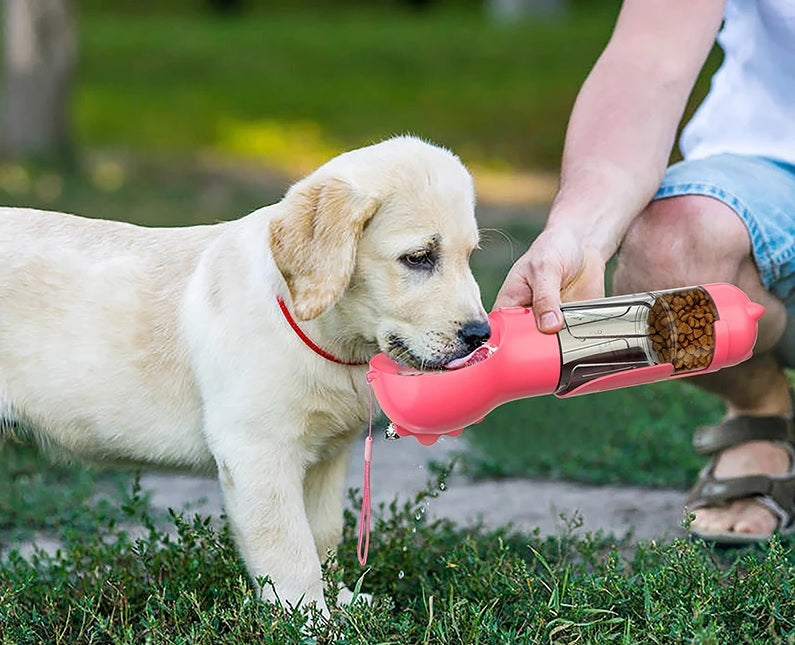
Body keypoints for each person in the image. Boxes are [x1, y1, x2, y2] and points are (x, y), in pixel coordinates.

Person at [495, 0, 795, 543]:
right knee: (673, 253)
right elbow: (648, 59)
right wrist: (580, 233)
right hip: (771, 160)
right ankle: (762, 409)